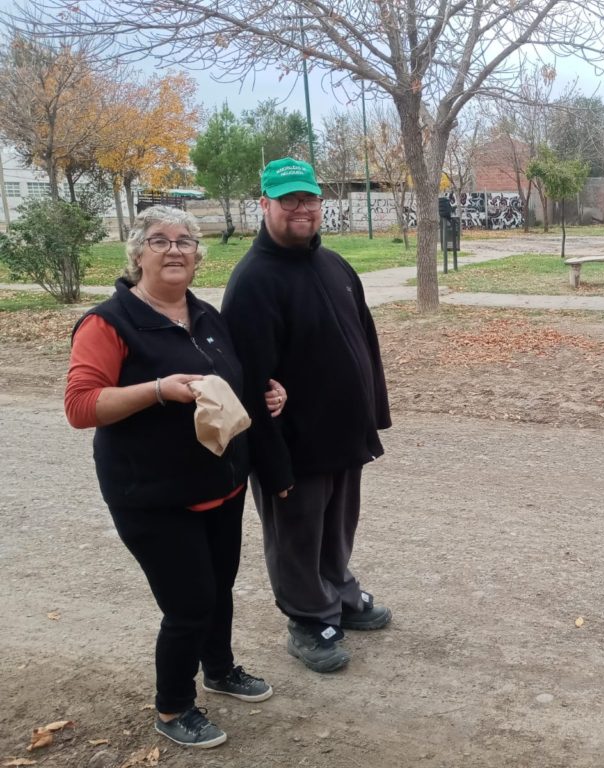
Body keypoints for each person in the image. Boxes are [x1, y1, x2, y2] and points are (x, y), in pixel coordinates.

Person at [65, 206, 287, 749]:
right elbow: (80, 405)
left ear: (197, 254)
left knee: (220, 590)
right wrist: (158, 389)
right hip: (153, 497)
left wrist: (268, 394)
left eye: (185, 241)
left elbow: (233, 382)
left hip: (222, 487)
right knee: (189, 604)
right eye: (159, 240)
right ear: (137, 252)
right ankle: (173, 708)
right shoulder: (109, 323)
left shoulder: (208, 316)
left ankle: (220, 668)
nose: (174, 250)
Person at [221, 157, 392, 674]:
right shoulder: (253, 280)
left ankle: (338, 592)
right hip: (293, 443)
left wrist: (373, 416)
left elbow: (366, 343)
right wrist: (270, 463)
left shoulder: (335, 265)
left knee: (338, 525)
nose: (302, 209)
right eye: (290, 199)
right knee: (296, 533)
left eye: (310, 199)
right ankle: (307, 619)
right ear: (265, 205)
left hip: (343, 434)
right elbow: (248, 382)